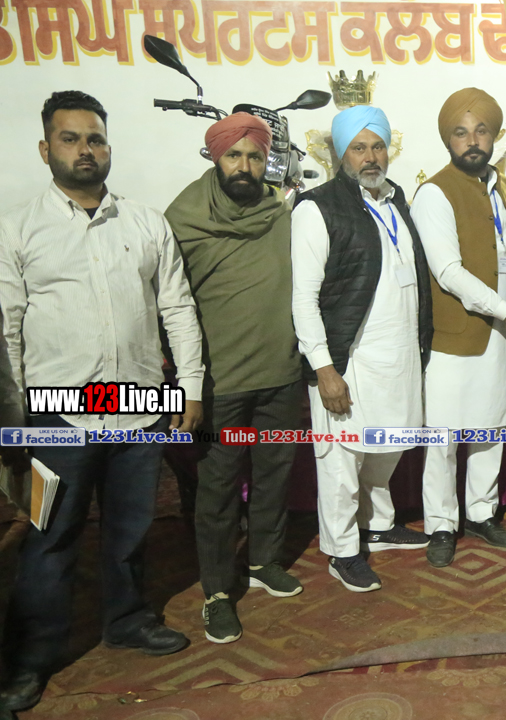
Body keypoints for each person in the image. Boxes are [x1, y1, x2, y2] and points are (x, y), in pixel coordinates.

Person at [0, 91, 203, 713]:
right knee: (47, 537)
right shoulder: (17, 229)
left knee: (129, 530)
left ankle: (127, 619)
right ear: (45, 149)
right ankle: (28, 660)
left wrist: (190, 386)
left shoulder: (145, 223)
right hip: (54, 414)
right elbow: (7, 330)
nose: (85, 150)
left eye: (95, 139)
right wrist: (13, 423)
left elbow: (177, 308)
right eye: (70, 139)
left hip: (139, 409)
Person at [164, 113, 303, 645]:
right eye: (234, 156)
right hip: (219, 383)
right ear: (215, 157)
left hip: (280, 374)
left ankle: (264, 560)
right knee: (218, 491)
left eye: (254, 156)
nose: (245, 167)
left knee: (274, 475)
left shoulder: (280, 213)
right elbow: (166, 302)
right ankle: (218, 591)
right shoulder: (183, 218)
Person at [291, 105, 433, 593]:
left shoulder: (396, 201)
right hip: (348, 361)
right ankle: (341, 550)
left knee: (386, 449)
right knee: (342, 461)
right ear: (340, 154)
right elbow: (303, 298)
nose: (370, 157)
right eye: (358, 148)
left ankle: (379, 524)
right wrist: (324, 368)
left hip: (399, 357)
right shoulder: (317, 207)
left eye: (378, 147)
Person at [412, 88, 506, 567]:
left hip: (501, 335)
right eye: (461, 132)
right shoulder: (434, 192)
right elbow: (449, 272)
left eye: (481, 131)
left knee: (490, 427)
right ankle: (441, 523)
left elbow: (503, 256)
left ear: (494, 137)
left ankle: (481, 512)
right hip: (457, 334)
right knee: (444, 436)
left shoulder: (498, 186)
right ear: (447, 139)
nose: (472, 141)